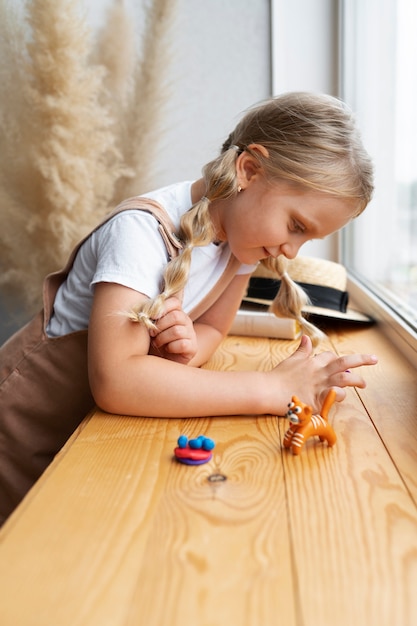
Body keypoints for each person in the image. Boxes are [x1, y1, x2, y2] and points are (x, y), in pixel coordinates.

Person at [0, 92, 378, 523]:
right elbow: (116, 380)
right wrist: (270, 389)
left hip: (83, 438)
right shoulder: (140, 233)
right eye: (295, 226)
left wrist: (178, 353)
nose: (291, 251)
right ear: (249, 170)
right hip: (21, 431)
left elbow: (213, 330)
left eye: (307, 240)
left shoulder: (241, 248)